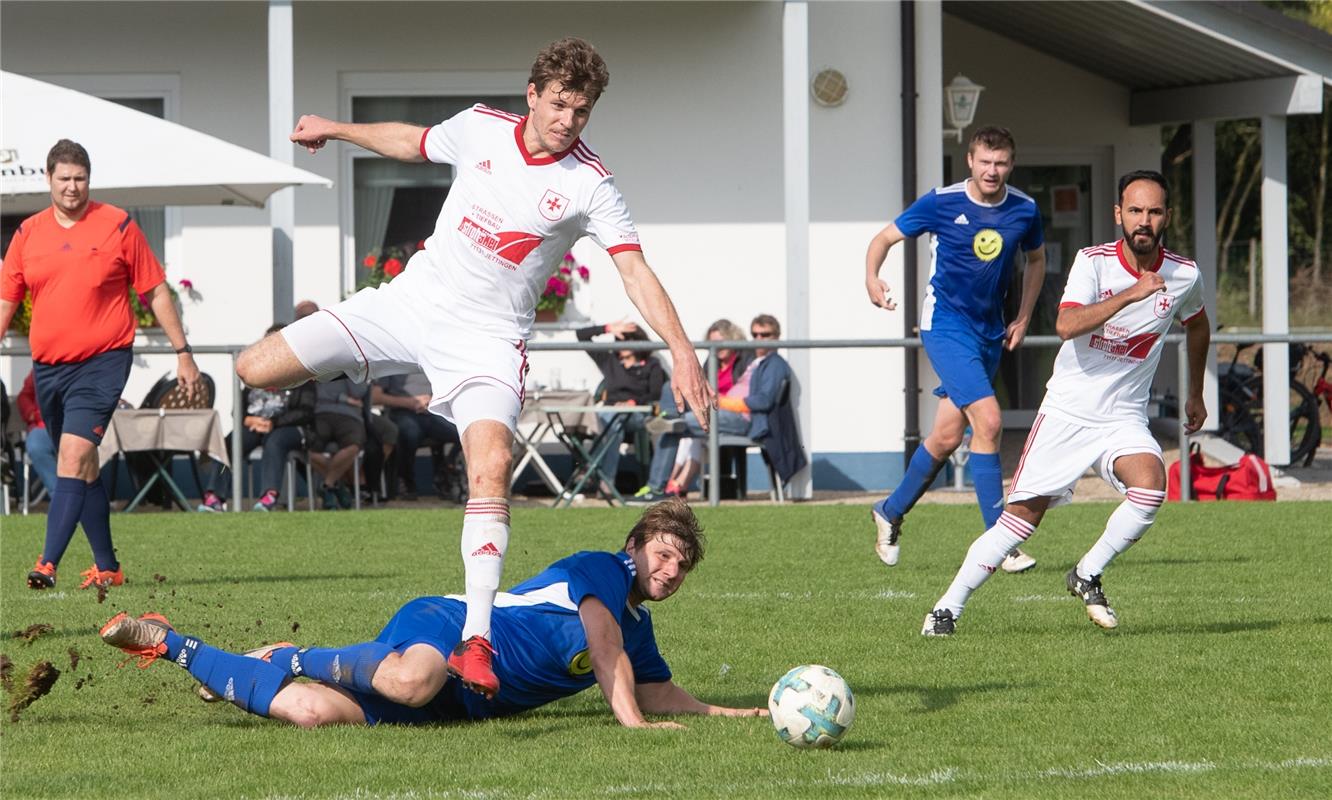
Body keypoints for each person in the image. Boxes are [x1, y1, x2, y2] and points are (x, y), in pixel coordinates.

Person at [233, 38, 712, 698]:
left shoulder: (590, 184)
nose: (569, 120)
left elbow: (634, 270)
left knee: (490, 468)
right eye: (561, 104)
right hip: (407, 305)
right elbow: (412, 141)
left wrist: (682, 349)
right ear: (534, 94)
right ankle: (345, 368)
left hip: (487, 343)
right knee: (254, 369)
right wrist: (337, 129)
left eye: (584, 110)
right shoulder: (480, 127)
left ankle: (478, 639)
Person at [100, 499, 767, 729]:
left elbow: (656, 688)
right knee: (409, 679)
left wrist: (738, 714)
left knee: (307, 714)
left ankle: (205, 652)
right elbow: (602, 646)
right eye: (663, 554)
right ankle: (240, 651)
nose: (670, 571)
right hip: (452, 627)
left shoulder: (636, 633)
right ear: (635, 547)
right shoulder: (600, 569)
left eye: (682, 564)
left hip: (463, 704)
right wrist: (632, 725)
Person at [921, 170, 1210, 636]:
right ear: (1119, 214)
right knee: (1020, 523)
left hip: (1123, 419)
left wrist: (1196, 392)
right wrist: (1132, 294)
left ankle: (1087, 572)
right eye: (1134, 210)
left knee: (1152, 487)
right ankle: (946, 609)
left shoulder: (1184, 274)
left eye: (1154, 212)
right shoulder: (1093, 263)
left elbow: (1198, 326)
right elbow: (1066, 325)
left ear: (1167, 217)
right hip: (1068, 413)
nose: (1144, 220)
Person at [0, 139, 200, 592]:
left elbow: (157, 291)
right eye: (64, 178)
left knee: (71, 455)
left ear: (90, 179)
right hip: (49, 369)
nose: (73, 187)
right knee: (83, 465)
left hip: (103, 361)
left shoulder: (118, 225)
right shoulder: (28, 234)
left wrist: (182, 350)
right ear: (48, 179)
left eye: (80, 178)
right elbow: (7, 300)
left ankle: (47, 563)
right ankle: (108, 566)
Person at [864, 126, 1046, 574]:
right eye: (985, 161)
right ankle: (1001, 540)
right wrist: (872, 278)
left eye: (1001, 163)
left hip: (989, 333)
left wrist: (1023, 316)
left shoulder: (1024, 209)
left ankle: (889, 510)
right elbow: (882, 239)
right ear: (970, 160)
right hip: (944, 327)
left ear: (1011, 165)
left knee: (946, 438)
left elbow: (1037, 261)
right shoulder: (941, 202)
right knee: (989, 420)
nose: (992, 170)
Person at [637, 315, 804, 502]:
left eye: (765, 335)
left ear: (777, 336)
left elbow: (763, 401)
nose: (758, 339)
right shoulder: (757, 361)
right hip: (723, 411)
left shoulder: (773, 363)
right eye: (755, 334)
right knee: (672, 395)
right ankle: (669, 421)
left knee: (677, 426)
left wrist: (722, 401)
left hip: (742, 418)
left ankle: (656, 485)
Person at [197, 325, 315, 513]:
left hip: (288, 428)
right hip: (255, 426)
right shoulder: (258, 372)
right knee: (231, 441)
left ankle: (268, 497)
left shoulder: (302, 371)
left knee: (275, 441)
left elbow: (306, 411)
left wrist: (274, 423)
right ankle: (215, 498)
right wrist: (247, 420)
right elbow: (238, 410)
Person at [643, 318, 753, 499]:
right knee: (672, 390)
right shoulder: (712, 359)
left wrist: (717, 400)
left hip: (737, 415)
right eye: (712, 343)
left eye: (720, 342)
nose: (716, 347)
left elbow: (749, 396)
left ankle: (656, 487)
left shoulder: (746, 359)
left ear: (733, 338)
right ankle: (670, 417)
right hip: (712, 410)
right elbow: (698, 387)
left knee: (678, 425)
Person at [577, 320, 667, 491]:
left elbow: (656, 393)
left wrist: (634, 402)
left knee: (612, 420)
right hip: (611, 414)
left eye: (629, 339)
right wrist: (608, 328)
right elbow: (581, 335)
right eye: (621, 339)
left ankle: (590, 467)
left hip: (637, 414)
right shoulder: (609, 361)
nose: (623, 344)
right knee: (613, 425)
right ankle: (607, 483)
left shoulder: (651, 364)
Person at [372, 372, 461, 502]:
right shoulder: (392, 361)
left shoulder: (430, 358)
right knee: (410, 433)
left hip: (431, 411)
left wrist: (433, 400)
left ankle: (447, 466)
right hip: (401, 412)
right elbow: (375, 397)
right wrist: (409, 402)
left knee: (462, 431)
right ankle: (407, 482)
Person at [308, 376, 369, 510]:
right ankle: (337, 485)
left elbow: (359, 391)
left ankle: (327, 485)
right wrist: (343, 398)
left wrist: (347, 371)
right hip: (320, 413)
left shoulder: (353, 363)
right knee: (306, 449)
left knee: (354, 446)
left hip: (350, 416)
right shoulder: (321, 361)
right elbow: (317, 392)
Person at [16, 372, 58, 502]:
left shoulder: (82, 365)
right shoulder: (42, 366)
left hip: (74, 426)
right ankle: (59, 497)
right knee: (36, 446)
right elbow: (24, 396)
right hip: (43, 426)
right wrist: (31, 414)